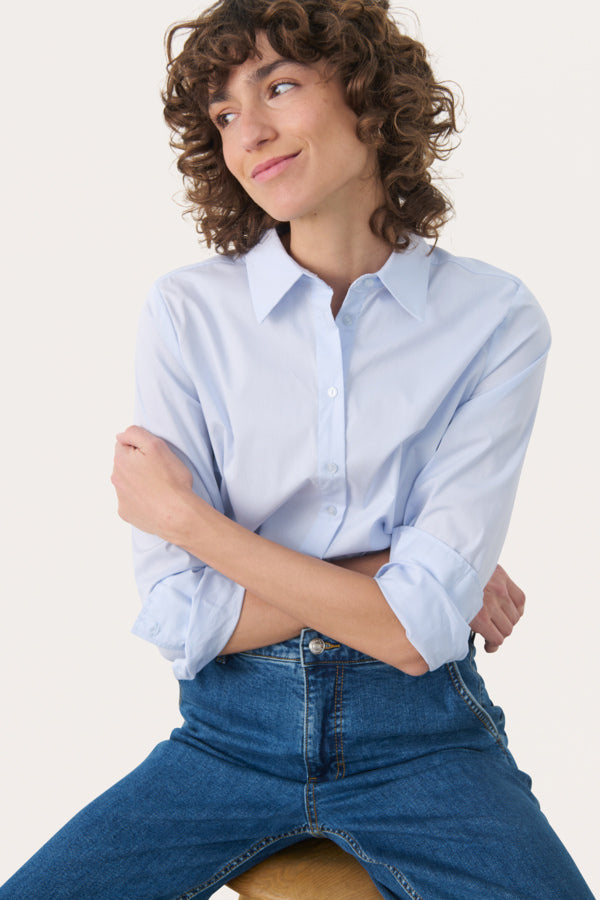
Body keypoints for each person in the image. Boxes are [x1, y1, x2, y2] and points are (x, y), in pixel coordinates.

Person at [0, 0, 594, 897]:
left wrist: (189, 522)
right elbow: (180, 618)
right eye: (227, 114)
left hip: (426, 744)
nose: (251, 133)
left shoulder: (494, 320)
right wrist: (391, 564)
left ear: (368, 95)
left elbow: (414, 632)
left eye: (279, 87)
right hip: (227, 740)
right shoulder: (187, 314)